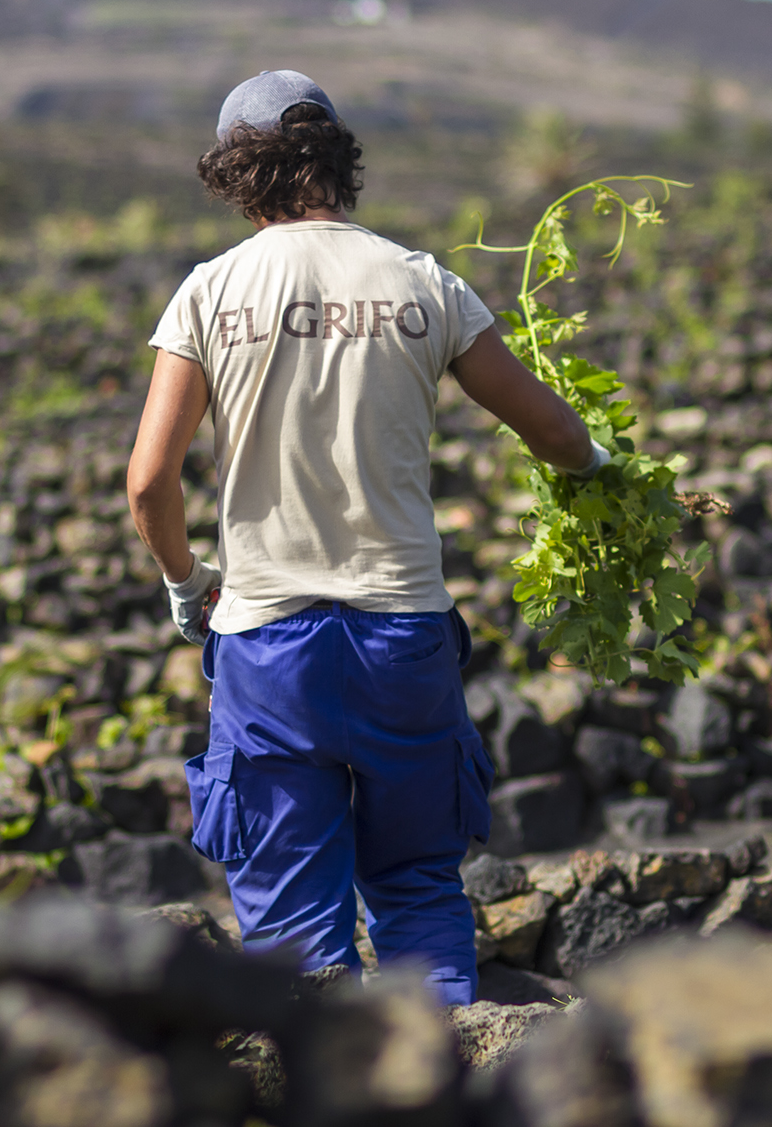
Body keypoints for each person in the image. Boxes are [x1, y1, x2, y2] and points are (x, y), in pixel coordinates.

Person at [125, 70, 608, 1004]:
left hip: (268, 647)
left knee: (297, 933)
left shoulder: (210, 293)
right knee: (419, 892)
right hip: (402, 636)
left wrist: (189, 585)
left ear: (236, 173)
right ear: (339, 159)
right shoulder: (424, 283)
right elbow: (555, 435)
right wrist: (607, 474)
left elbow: (149, 483)